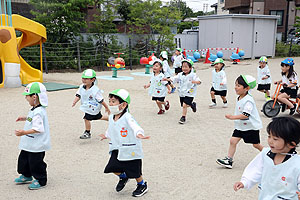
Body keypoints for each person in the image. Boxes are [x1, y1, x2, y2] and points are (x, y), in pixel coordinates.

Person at [234, 117, 300, 200]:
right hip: (265, 197)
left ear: (291, 144)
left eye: (275, 139)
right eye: (269, 136)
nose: (270, 141)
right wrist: (245, 182)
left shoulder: (297, 163)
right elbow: (255, 169)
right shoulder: (265, 154)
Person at [100, 89, 150, 197]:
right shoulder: (112, 117)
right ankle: (123, 177)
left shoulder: (127, 117)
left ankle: (142, 185)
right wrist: (106, 135)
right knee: (112, 167)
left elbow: (135, 126)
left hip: (129, 148)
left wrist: (139, 133)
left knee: (134, 170)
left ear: (123, 105)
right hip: (117, 148)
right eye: (109, 101)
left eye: (113, 101)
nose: (110, 104)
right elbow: (111, 128)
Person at [216, 75, 263, 169]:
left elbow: (246, 115)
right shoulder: (240, 97)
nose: (235, 87)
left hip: (250, 127)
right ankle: (229, 160)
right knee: (233, 141)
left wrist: (232, 117)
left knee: (256, 144)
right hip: (241, 126)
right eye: (235, 85)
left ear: (247, 88)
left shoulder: (248, 100)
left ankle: (270, 154)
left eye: (238, 85)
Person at [14, 82, 50, 190]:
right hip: (29, 143)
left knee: (36, 163)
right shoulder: (34, 109)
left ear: (34, 97)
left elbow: (38, 129)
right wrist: (25, 118)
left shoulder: (39, 112)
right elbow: (33, 119)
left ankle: (41, 179)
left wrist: (23, 133)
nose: (26, 98)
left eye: (27, 96)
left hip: (37, 145)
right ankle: (26, 175)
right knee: (23, 160)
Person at [72, 69, 110, 139]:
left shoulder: (95, 90)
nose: (84, 80)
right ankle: (112, 119)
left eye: (86, 79)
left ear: (93, 79)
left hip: (93, 107)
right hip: (88, 107)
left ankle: (87, 132)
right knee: (99, 117)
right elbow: (78, 95)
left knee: (86, 119)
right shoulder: (81, 87)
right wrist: (75, 101)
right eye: (83, 78)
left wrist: (106, 107)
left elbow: (101, 100)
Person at [166, 59, 201, 124]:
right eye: (183, 67)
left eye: (186, 67)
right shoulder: (180, 74)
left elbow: (199, 81)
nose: (184, 68)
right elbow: (175, 78)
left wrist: (196, 81)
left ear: (190, 68)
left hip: (190, 93)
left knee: (184, 105)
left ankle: (183, 117)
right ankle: (192, 105)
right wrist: (169, 79)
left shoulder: (193, 75)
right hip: (182, 93)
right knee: (184, 105)